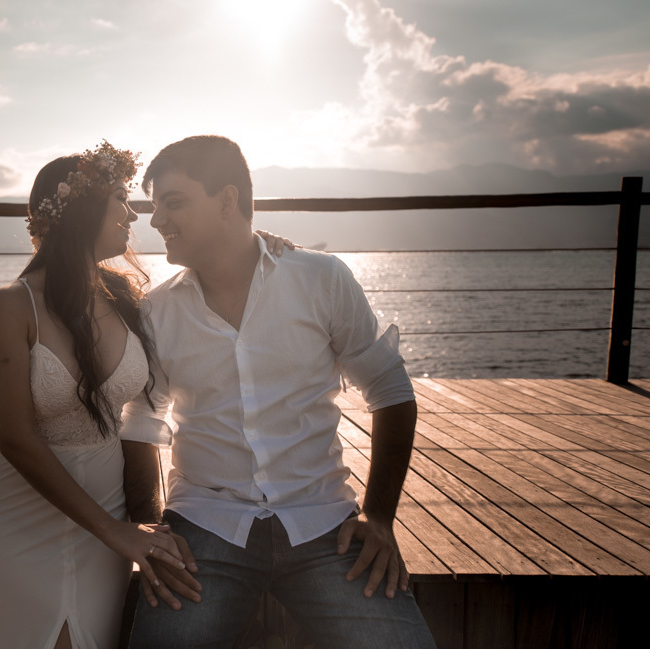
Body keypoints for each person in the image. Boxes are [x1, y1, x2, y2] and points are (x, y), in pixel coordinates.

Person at [121, 136, 437, 649]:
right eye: (153, 206)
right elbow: (142, 418)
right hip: (205, 528)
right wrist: (146, 525)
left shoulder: (321, 279)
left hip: (324, 525)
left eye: (172, 202)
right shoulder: (156, 311)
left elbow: (389, 388)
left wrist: (379, 517)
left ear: (227, 200)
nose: (155, 221)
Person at [0, 141, 187, 649]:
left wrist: (267, 243)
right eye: (121, 200)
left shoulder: (128, 300)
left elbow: (208, 281)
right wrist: (115, 530)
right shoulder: (9, 307)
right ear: (83, 212)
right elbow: (15, 439)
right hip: (15, 515)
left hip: (104, 512)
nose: (133, 213)